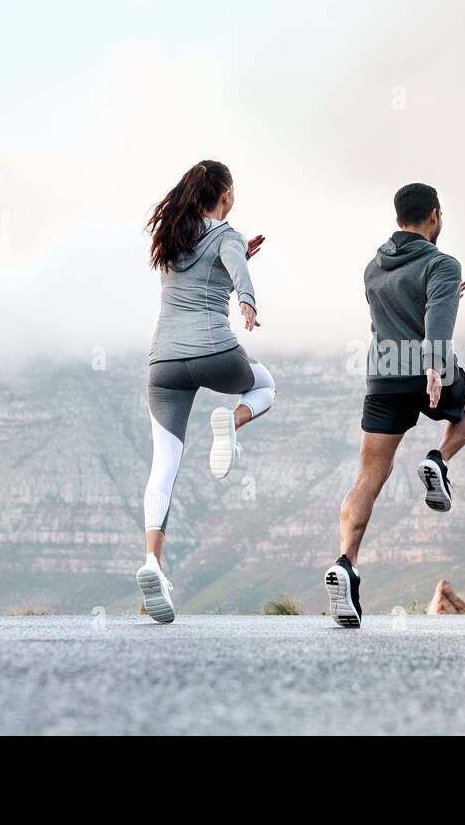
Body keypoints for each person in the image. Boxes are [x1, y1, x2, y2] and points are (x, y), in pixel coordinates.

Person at [324, 183, 465, 627]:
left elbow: (401, 309)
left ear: (398, 220)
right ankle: (438, 459)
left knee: (370, 474)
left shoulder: (373, 268)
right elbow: (435, 317)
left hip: (383, 376)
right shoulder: (442, 263)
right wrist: (434, 366)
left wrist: (447, 294)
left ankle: (346, 562)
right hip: (426, 370)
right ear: (434, 215)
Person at [135, 160, 276, 624]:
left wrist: (238, 258)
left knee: (164, 466)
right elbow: (233, 270)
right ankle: (231, 423)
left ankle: (152, 561)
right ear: (226, 196)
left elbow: (204, 272)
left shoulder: (174, 238)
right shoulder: (228, 236)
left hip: (164, 364)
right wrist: (248, 303)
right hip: (214, 352)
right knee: (265, 385)